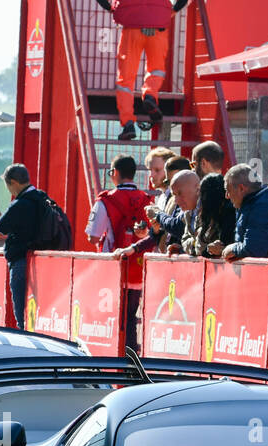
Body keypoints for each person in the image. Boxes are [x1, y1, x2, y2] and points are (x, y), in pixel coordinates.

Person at [96, 0, 187, 140]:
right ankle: (150, 95)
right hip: (158, 25)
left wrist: (111, 9)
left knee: (125, 80)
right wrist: (172, 11)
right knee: (156, 69)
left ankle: (128, 124)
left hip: (131, 26)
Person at [87, 154, 150, 349]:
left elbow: (93, 237)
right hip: (138, 267)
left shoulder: (105, 200)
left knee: (115, 316)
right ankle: (132, 357)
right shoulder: (146, 199)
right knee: (131, 316)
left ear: (114, 173)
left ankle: (116, 358)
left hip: (113, 266)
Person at [0, 164, 45, 330]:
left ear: (12, 182)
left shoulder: (20, 204)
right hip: (42, 262)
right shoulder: (42, 198)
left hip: (20, 263)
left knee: (22, 317)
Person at [220, 165, 268, 260]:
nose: (227, 196)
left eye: (228, 191)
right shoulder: (261, 200)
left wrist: (233, 248)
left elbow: (254, 249)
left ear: (241, 188)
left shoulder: (262, 207)